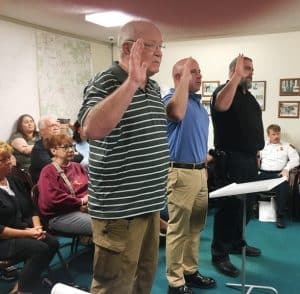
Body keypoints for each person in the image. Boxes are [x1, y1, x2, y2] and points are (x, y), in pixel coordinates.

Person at [77, 20, 169, 294]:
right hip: (119, 210)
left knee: (143, 279)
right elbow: (90, 129)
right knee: (114, 285)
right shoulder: (106, 81)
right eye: (151, 46)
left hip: (149, 204)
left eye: (161, 46)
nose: (160, 53)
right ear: (129, 48)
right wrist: (131, 83)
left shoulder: (153, 88)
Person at [163, 58, 216, 294]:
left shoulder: (197, 103)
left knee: (195, 228)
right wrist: (183, 83)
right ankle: (175, 282)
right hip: (179, 173)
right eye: (192, 72)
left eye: (199, 71)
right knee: (178, 230)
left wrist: (203, 164)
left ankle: (189, 271)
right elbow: (174, 113)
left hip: (198, 172)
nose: (199, 75)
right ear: (178, 76)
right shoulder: (170, 100)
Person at [210, 54, 265, 277]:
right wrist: (235, 78)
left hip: (249, 159)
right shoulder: (223, 92)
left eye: (251, 68)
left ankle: (236, 243)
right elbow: (221, 107)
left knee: (246, 207)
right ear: (234, 71)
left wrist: (256, 151)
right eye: (246, 68)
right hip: (230, 159)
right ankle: (220, 254)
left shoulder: (249, 97)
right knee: (229, 207)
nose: (250, 72)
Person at [0, 141, 59, 294]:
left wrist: (36, 227)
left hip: (23, 229)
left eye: (9, 157)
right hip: (4, 239)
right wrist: (29, 233)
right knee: (40, 248)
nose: (10, 162)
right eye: (4, 159)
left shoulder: (13, 180)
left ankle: (23, 283)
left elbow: (31, 208)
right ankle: (22, 289)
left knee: (52, 243)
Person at [38, 134, 92, 236]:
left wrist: (88, 197)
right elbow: (53, 199)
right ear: (53, 151)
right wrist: (81, 201)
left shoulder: (77, 166)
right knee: (100, 224)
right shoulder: (48, 171)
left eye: (71, 146)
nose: (71, 150)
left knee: (112, 216)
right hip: (60, 215)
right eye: (65, 147)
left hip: (83, 207)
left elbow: (91, 185)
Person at [258, 124, 300, 228]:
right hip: (263, 173)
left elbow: (296, 160)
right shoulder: (261, 146)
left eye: (278, 134)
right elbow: (255, 159)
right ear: (268, 135)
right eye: (273, 134)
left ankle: (280, 216)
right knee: (246, 180)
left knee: (283, 184)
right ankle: (247, 210)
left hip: (278, 174)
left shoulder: (287, 146)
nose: (276, 136)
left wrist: (286, 169)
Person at [31, 115, 83, 183]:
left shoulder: (64, 142)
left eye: (57, 125)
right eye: (51, 126)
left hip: (67, 180)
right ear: (42, 131)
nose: (55, 128)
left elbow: (79, 157)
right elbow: (52, 166)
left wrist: (58, 158)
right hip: (49, 184)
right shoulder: (38, 148)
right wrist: (67, 157)